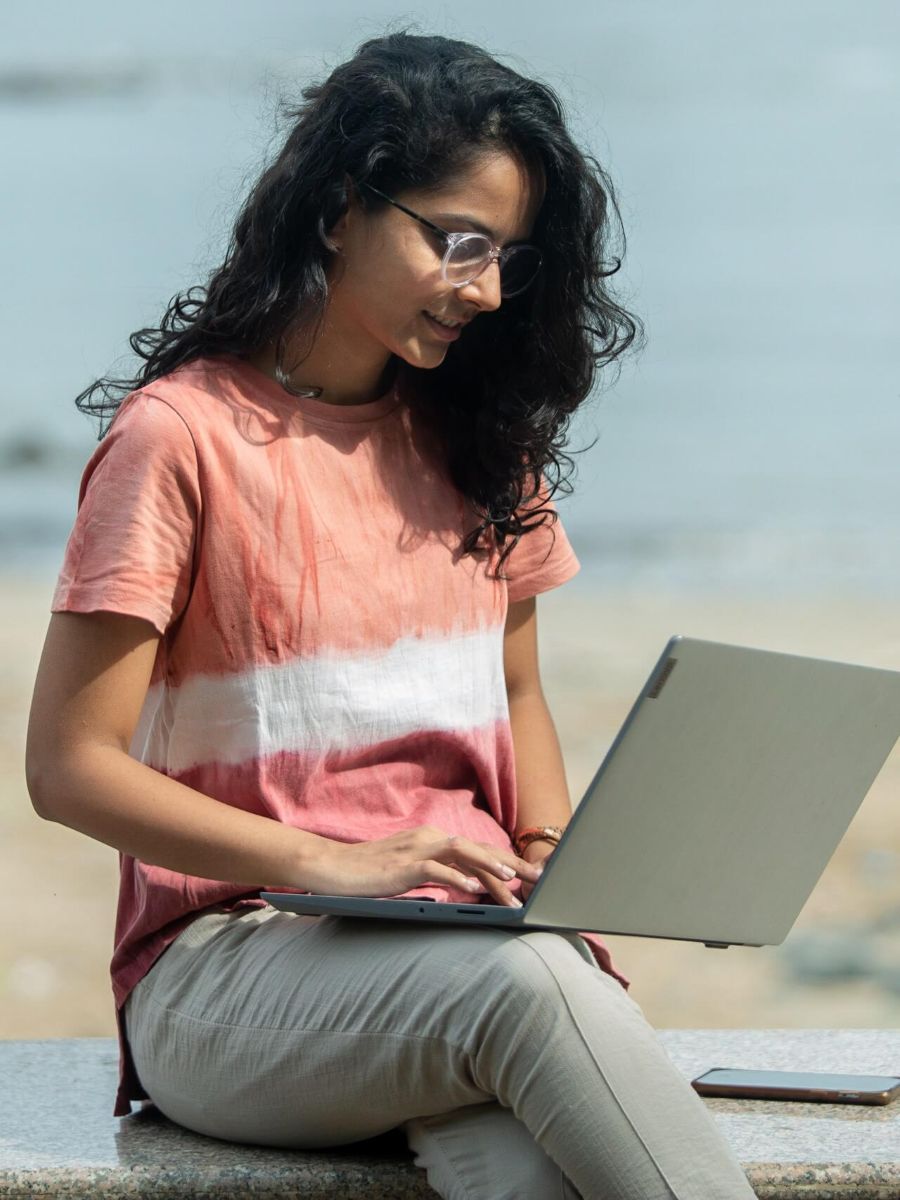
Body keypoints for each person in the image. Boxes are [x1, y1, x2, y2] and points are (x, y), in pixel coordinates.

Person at [26, 30, 756, 1200]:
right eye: (457, 242)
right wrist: (335, 860)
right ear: (336, 208)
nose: (489, 289)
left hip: (462, 958)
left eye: (512, 256)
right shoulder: (181, 439)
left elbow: (515, 696)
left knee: (524, 1162)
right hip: (228, 974)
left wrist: (554, 863)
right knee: (531, 998)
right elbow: (67, 769)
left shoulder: (483, 445)